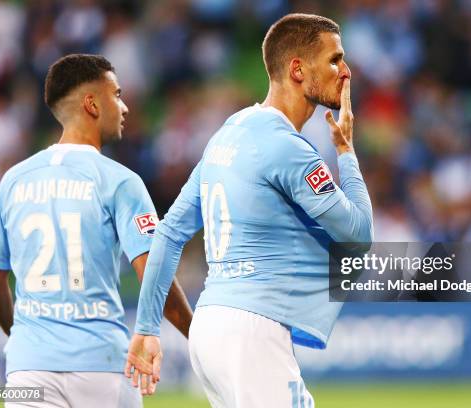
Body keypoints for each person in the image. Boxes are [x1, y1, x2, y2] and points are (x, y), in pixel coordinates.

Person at [126, 13, 373, 407]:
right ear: (297, 69)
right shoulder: (287, 149)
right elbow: (358, 236)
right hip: (252, 333)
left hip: (210, 326)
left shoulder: (229, 132)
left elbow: (170, 232)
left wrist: (146, 327)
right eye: (334, 59)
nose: (345, 72)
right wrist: (346, 152)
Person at [0, 54, 193, 407]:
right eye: (116, 94)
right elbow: (154, 274)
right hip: (101, 365)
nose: (123, 107)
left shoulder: (13, 180)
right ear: (92, 104)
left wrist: (23, 336)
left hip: (29, 371)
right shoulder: (120, 181)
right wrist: (196, 337)